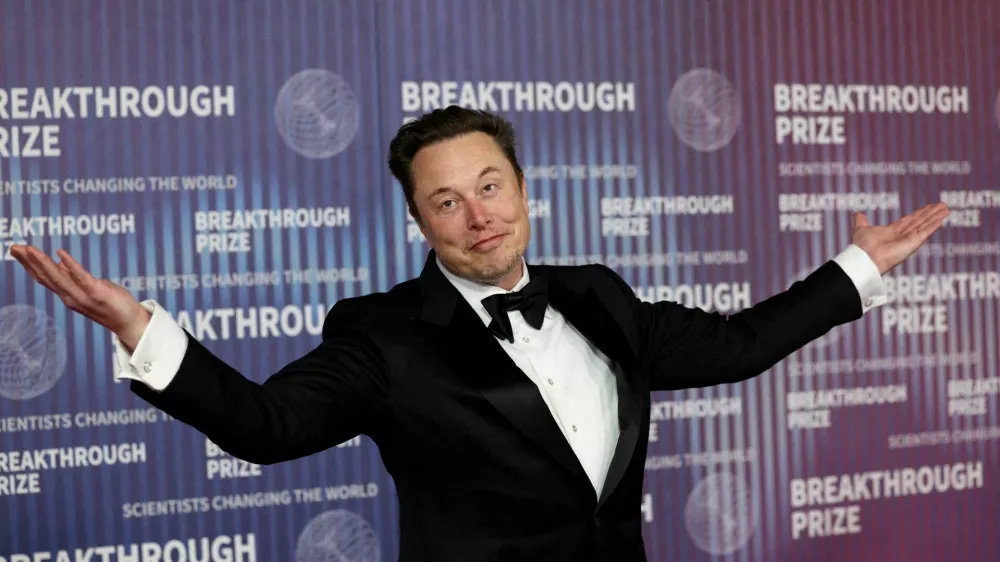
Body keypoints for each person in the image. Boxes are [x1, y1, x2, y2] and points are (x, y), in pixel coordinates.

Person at [12, 106, 949, 562]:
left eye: (490, 186)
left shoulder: (599, 297)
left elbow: (737, 347)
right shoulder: (380, 337)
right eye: (446, 201)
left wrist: (855, 268)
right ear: (419, 223)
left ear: (525, 191)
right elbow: (266, 426)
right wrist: (144, 330)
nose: (478, 216)